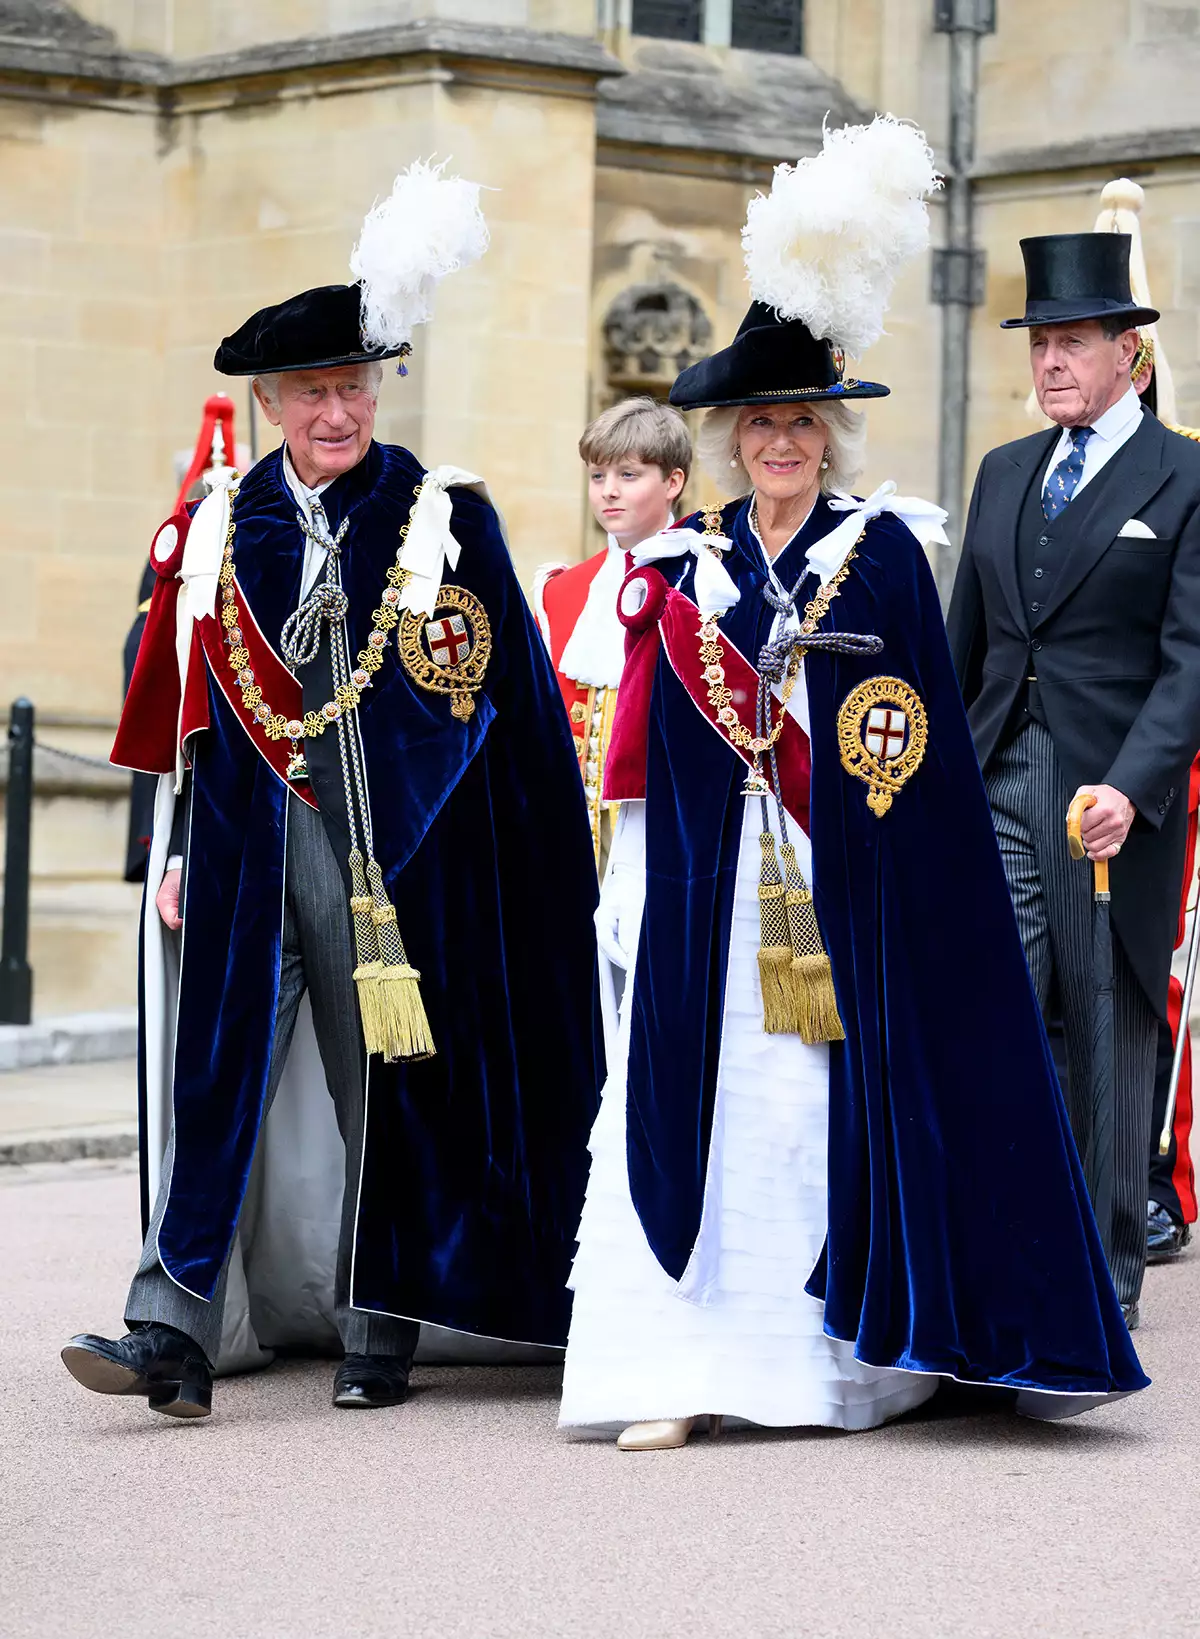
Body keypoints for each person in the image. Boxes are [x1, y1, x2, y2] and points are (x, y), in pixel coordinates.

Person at [559, 117, 1146, 1452]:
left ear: (830, 435)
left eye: (802, 423)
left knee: (809, 1110)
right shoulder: (688, 561)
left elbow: (912, 744)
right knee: (706, 1104)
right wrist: (642, 883)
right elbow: (654, 747)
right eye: (760, 423)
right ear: (730, 438)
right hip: (713, 897)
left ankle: (828, 1366)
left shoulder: (880, 556)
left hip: (843, 889)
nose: (781, 442)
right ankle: (685, 1368)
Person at [62, 163, 602, 1421]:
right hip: (246, 848)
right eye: (313, 391)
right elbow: (193, 712)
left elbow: (507, 705)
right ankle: (171, 1329)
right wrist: (174, 847)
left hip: (387, 862)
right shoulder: (225, 523)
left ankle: (379, 1330)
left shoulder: (438, 518)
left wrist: (509, 865)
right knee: (216, 1085)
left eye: (355, 386)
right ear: (271, 403)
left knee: (383, 1096)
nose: (338, 410)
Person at [947, 222, 1200, 1329]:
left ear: (1129, 356)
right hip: (998, 776)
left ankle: (1101, 1292)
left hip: (1112, 802)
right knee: (996, 1011)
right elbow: (964, 646)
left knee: (1104, 1032)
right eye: (1039, 342)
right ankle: (1006, 1264)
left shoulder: (1186, 474)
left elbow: (1193, 664)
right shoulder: (1003, 471)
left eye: (1074, 342)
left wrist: (1133, 790)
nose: (1050, 362)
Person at [534, 397, 690, 868]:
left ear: (673, 482)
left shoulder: (705, 582)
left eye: (628, 475)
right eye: (598, 476)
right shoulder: (559, 591)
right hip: (571, 833)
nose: (609, 492)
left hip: (667, 825)